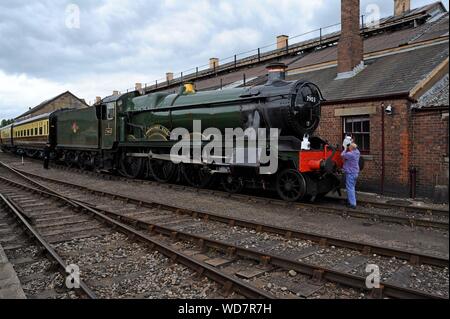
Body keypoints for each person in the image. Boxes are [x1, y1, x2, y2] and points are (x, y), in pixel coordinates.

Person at [341, 142, 360, 209]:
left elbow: (342, 155)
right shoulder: (357, 152)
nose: (349, 147)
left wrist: (345, 148)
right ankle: (350, 201)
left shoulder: (350, 154)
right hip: (355, 172)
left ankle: (352, 204)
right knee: (352, 187)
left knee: (350, 188)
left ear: (351, 148)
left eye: (350, 147)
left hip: (350, 173)